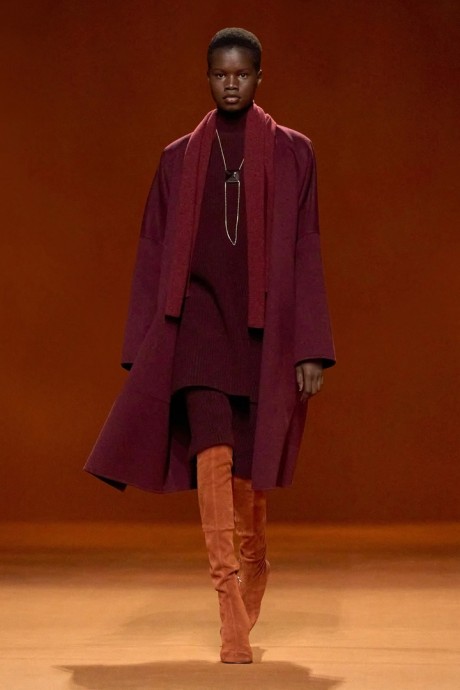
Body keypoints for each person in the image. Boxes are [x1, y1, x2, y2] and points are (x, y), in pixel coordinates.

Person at [85, 27, 335, 664]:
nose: (230, 84)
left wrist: (311, 345)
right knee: (213, 452)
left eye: (242, 74)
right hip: (196, 324)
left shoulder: (293, 153)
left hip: (261, 328)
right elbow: (152, 249)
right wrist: (144, 344)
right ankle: (227, 602)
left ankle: (255, 560)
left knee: (248, 465)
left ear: (259, 78)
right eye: (220, 74)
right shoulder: (177, 159)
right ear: (208, 77)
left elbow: (306, 248)